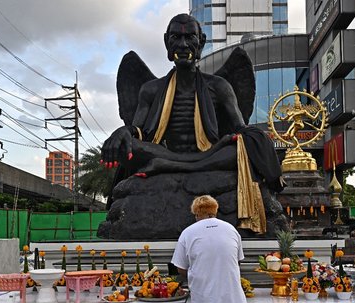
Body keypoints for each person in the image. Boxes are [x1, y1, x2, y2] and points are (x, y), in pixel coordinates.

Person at [101, 13, 284, 234]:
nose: (183, 44)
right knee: (130, 147)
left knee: (246, 144)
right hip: (172, 153)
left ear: (202, 42)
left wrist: (256, 139)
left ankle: (165, 166)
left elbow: (239, 127)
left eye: (190, 38)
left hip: (206, 152)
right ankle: (177, 163)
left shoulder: (219, 86)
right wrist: (123, 132)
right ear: (166, 41)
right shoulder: (150, 89)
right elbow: (137, 131)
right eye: (176, 38)